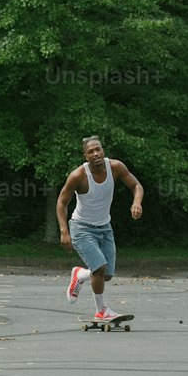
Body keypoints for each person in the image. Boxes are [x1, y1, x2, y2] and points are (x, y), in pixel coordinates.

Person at [57, 135, 144, 321]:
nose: (95, 153)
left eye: (98, 149)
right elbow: (61, 202)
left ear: (103, 150)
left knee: (106, 275)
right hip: (81, 228)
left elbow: (136, 185)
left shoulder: (115, 167)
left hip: (105, 227)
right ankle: (101, 310)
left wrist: (137, 202)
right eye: (91, 151)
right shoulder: (78, 176)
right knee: (99, 268)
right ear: (85, 156)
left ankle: (80, 274)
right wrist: (64, 231)